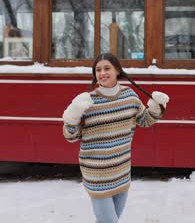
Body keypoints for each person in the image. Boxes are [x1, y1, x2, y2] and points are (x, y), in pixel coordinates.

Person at [62, 53, 170, 223]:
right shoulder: (87, 101)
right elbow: (71, 136)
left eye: (107, 68)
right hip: (96, 174)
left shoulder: (129, 96)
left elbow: (144, 120)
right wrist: (72, 118)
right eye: (98, 70)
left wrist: (156, 107)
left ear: (117, 70)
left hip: (121, 171)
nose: (102, 73)